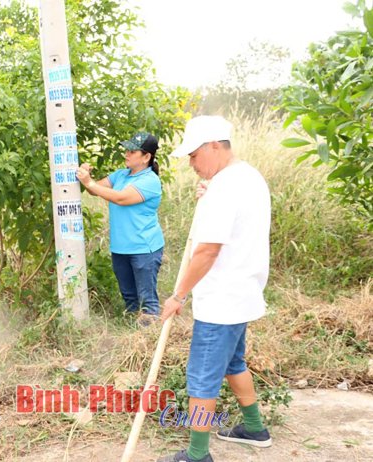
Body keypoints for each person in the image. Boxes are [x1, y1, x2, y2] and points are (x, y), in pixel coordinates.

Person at [157, 116, 272, 462]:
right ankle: (254, 429)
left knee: (202, 379)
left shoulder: (225, 188)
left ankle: (197, 455)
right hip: (242, 294)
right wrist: (209, 198)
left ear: (213, 146)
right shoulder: (247, 177)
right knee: (233, 363)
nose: (191, 164)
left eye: (193, 156)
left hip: (221, 301)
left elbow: (207, 250)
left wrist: (178, 295)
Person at [76, 132, 165, 325]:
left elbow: (121, 198)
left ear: (146, 157)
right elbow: (94, 189)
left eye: (132, 151)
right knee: (130, 300)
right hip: (121, 247)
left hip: (143, 248)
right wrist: (87, 176)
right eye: (126, 149)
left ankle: (147, 340)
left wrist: (88, 182)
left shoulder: (149, 180)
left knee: (147, 302)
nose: (126, 153)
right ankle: (132, 336)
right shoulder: (121, 175)